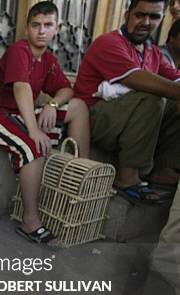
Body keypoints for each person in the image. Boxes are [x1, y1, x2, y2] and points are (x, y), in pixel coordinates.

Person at [0, 1, 91, 246]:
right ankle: (30, 221)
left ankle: (82, 177)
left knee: (79, 107)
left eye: (48, 25)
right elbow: (21, 87)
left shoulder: (48, 59)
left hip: (26, 114)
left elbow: (67, 89)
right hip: (1, 115)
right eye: (36, 25)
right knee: (33, 148)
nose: (41, 31)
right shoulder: (19, 50)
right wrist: (33, 130)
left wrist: (52, 104)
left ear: (57, 28)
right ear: (27, 29)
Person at [74, 0, 180, 204]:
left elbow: (175, 78)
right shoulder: (109, 42)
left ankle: (163, 170)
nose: (146, 22)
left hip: (127, 119)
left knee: (174, 106)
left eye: (154, 17)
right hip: (94, 121)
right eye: (140, 15)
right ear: (127, 15)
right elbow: (135, 78)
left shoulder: (153, 52)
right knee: (153, 98)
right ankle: (127, 176)